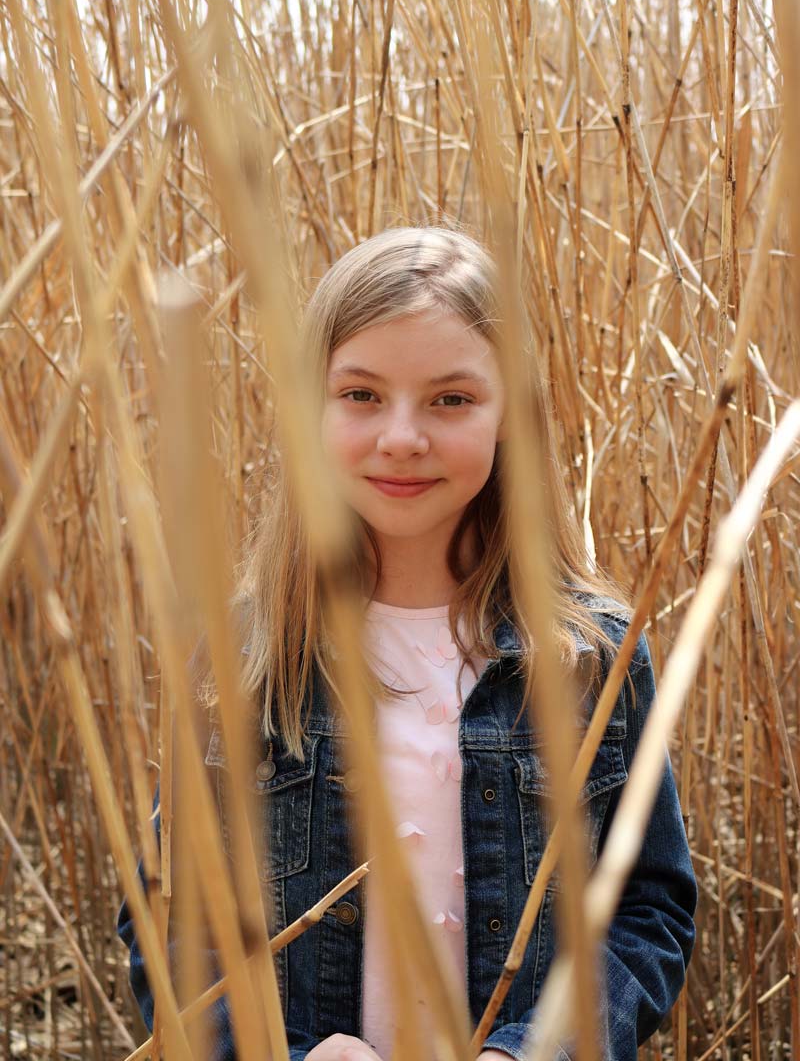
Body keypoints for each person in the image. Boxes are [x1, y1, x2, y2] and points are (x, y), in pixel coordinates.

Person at [117, 226, 697, 1061]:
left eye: (450, 399)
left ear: (510, 417)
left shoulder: (592, 656)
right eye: (360, 395)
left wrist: (531, 1051)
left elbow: (647, 907)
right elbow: (172, 920)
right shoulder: (245, 657)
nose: (401, 437)